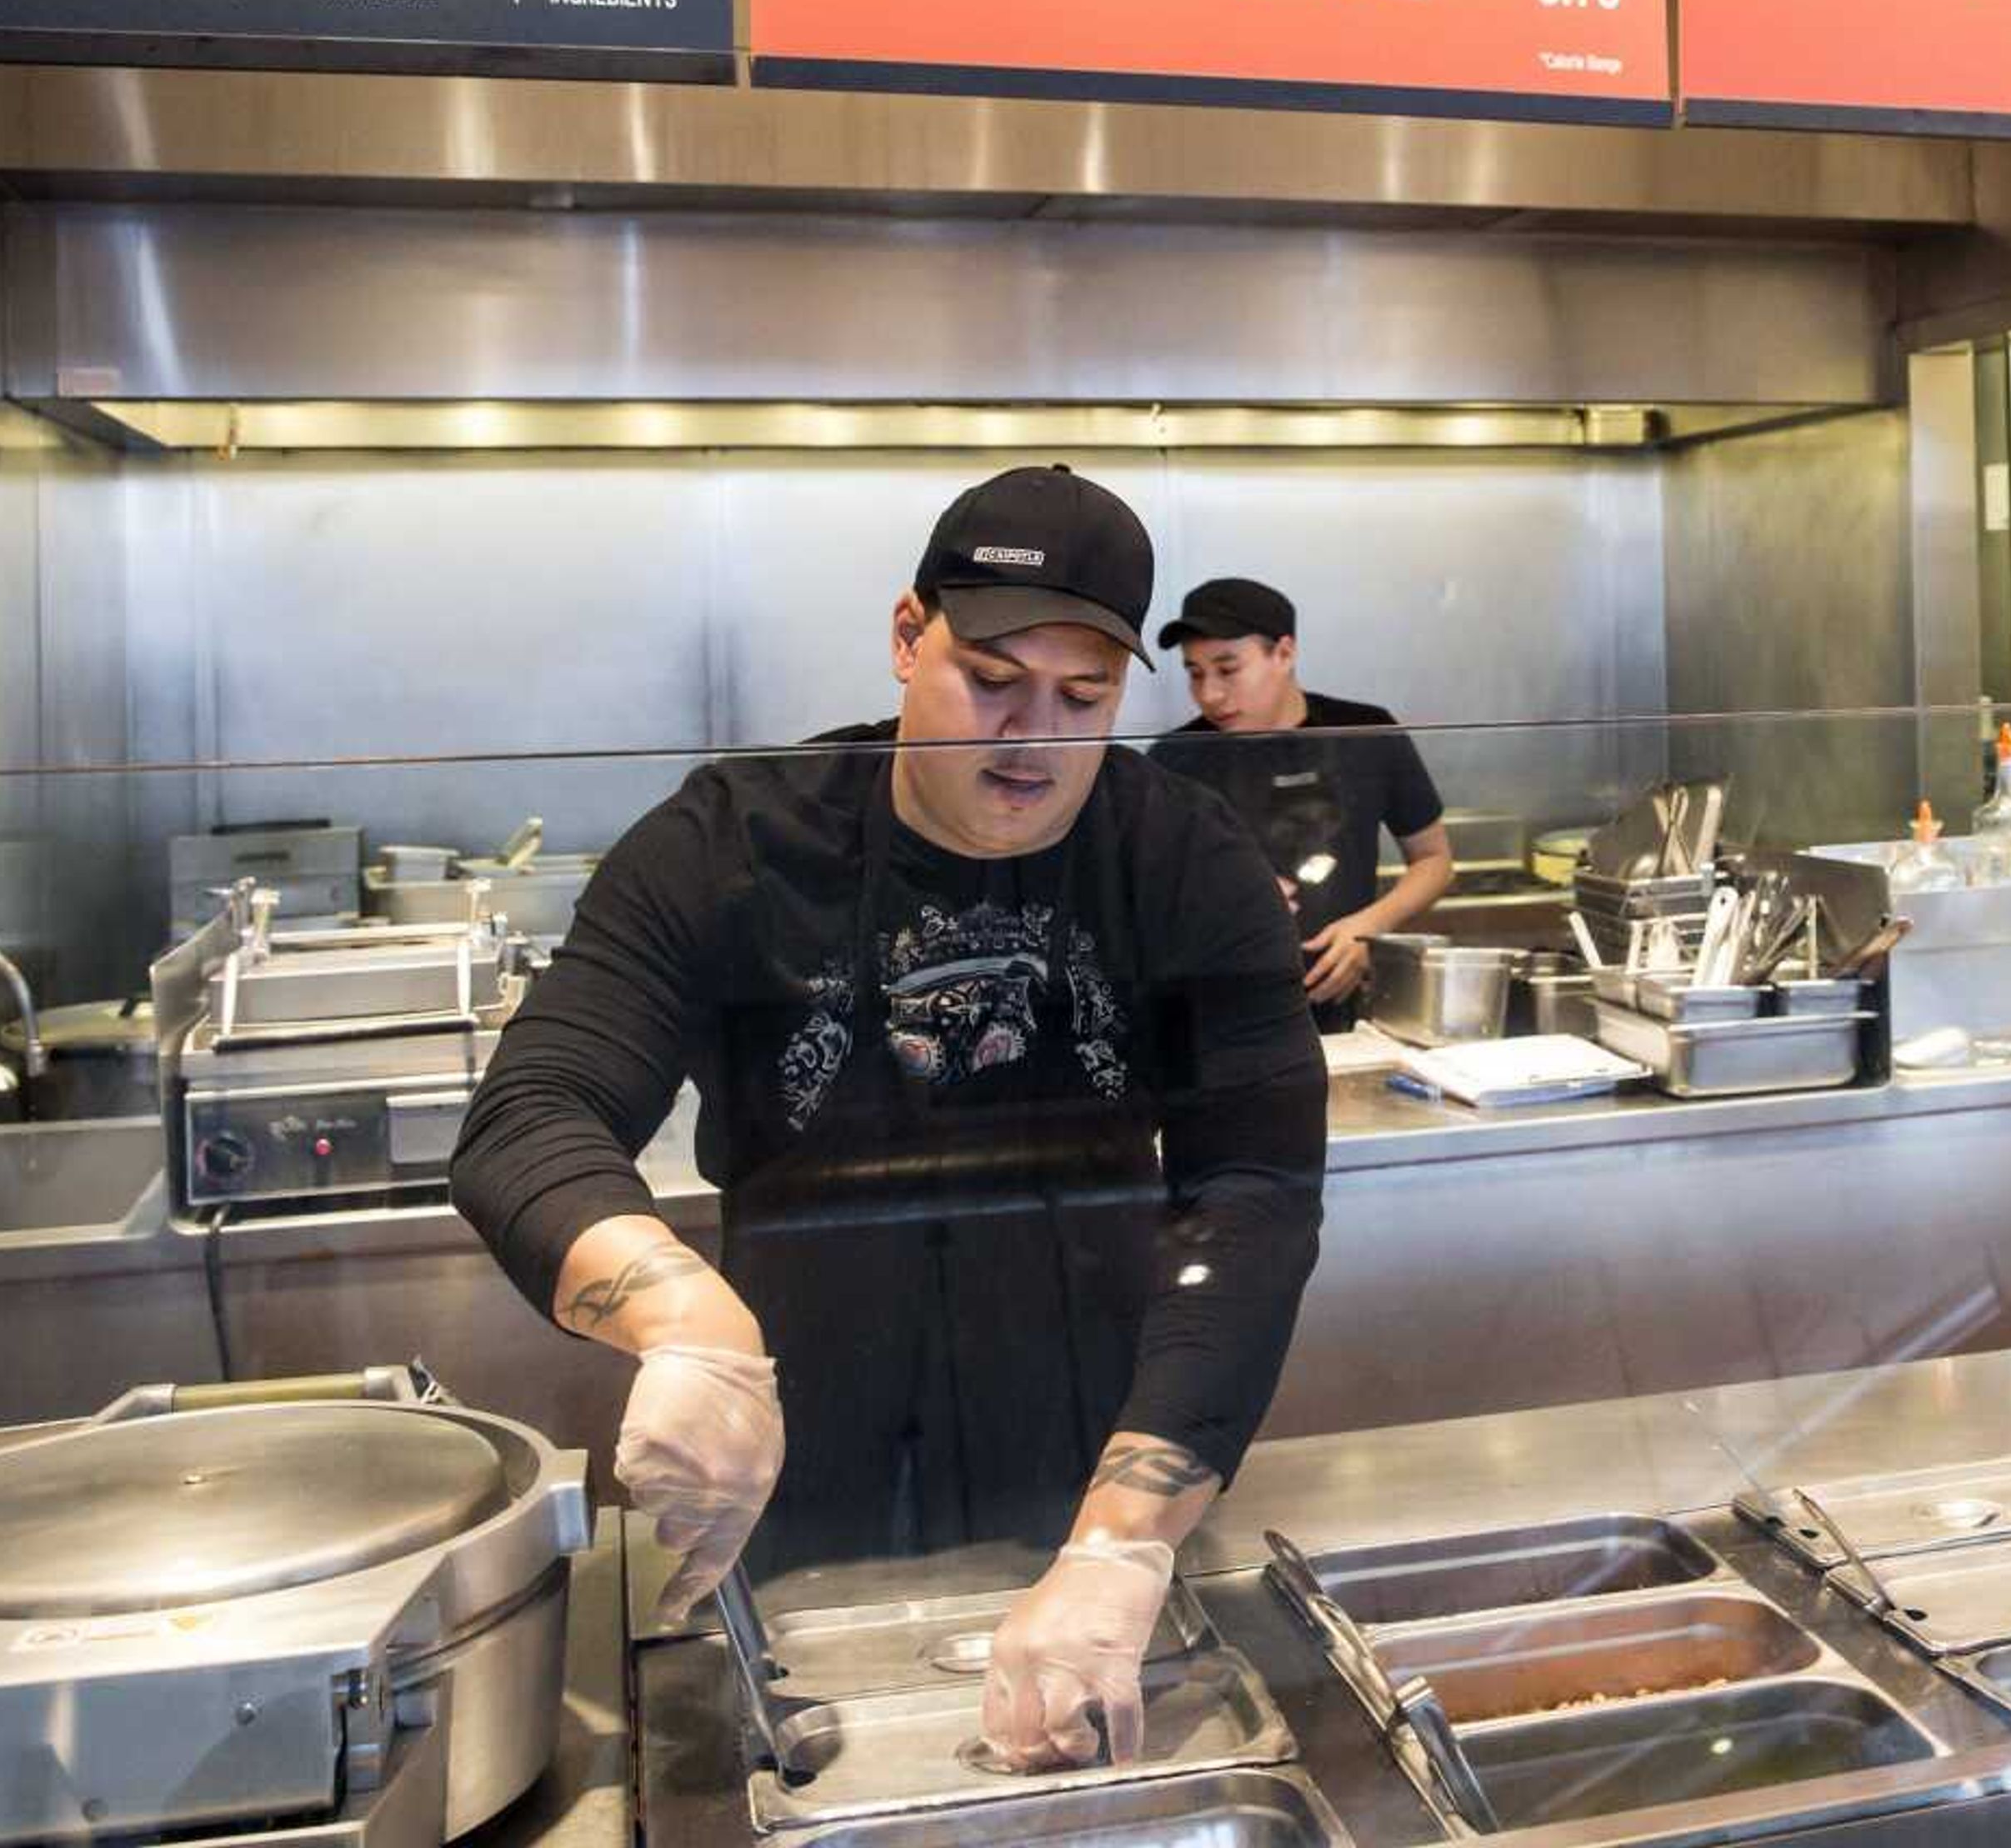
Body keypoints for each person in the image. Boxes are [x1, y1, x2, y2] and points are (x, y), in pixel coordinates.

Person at [452, 468, 1327, 1772]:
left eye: (1081, 697)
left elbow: (1252, 1185)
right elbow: (534, 1109)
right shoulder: (734, 839)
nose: (1030, 736)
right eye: (990, 677)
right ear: (909, 634)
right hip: (794, 1430)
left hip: (1101, 1431)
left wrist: (1127, 1535)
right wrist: (681, 1325)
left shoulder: (1179, 854)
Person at [1151, 578, 1453, 1031]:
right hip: (1218, 1012)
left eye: (1228, 669)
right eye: (1195, 673)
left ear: (1285, 653)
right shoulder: (1176, 759)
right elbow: (1144, 894)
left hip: (1348, 1008)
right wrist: (1225, 899)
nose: (1210, 694)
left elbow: (1434, 860)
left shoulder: (1363, 733)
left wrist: (1368, 929)